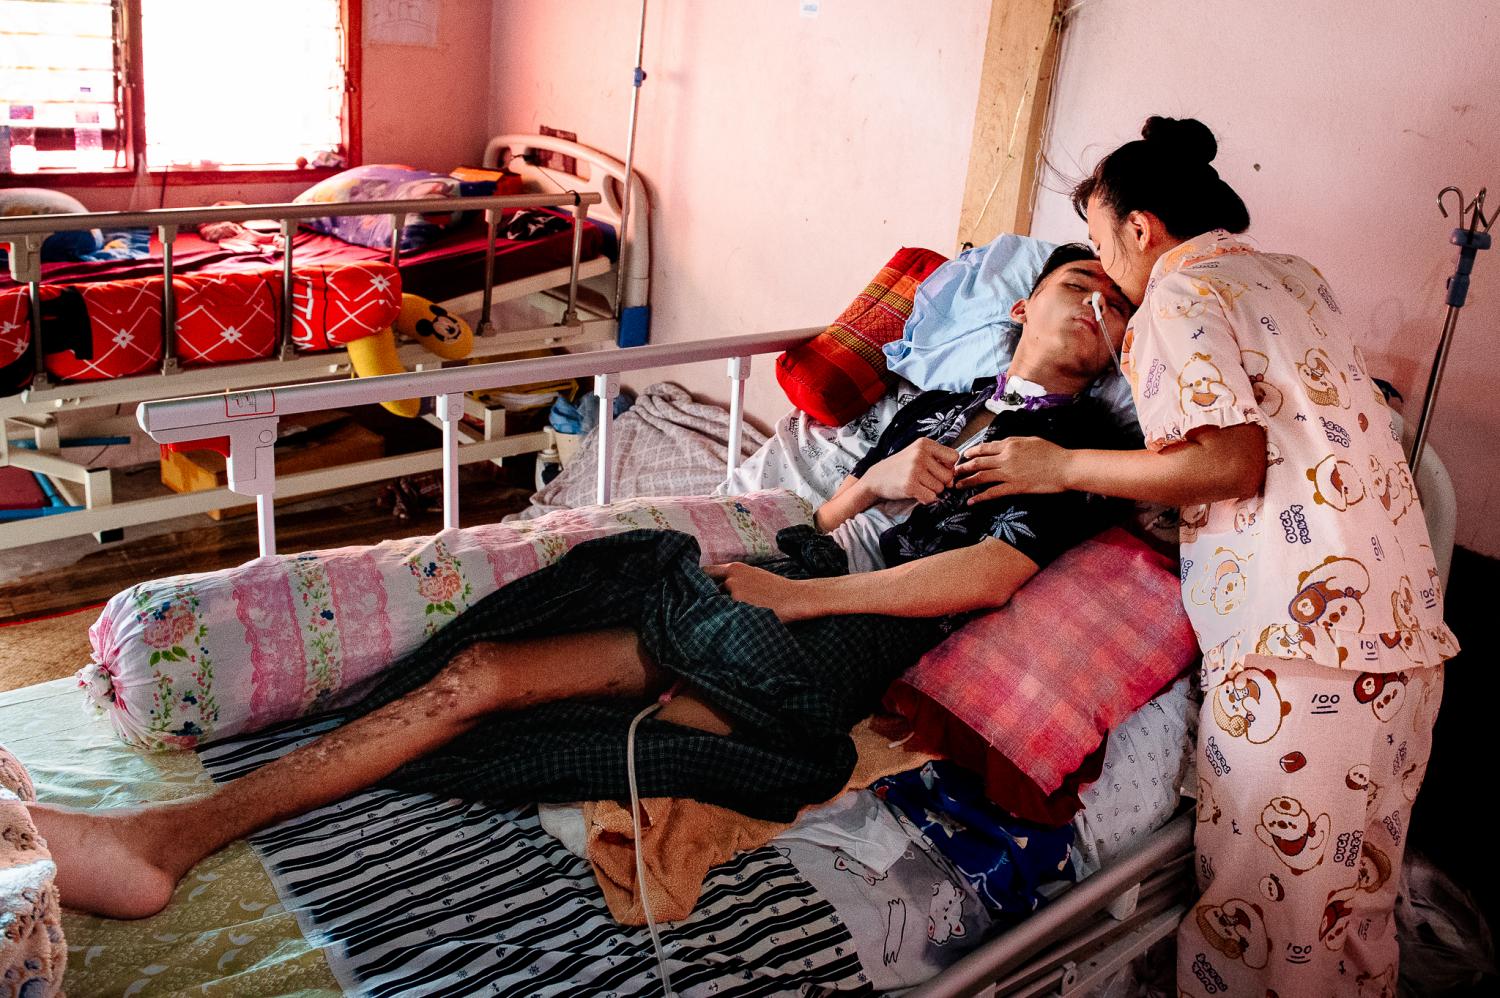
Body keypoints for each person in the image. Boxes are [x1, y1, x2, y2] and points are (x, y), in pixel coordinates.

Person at [16, 246, 1136, 924]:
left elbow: (990, 573)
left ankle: (167, 839)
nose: (1099, 308)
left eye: (1118, 308)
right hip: (795, 566)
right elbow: (834, 512)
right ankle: (174, 832)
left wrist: (802, 597)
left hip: (842, 628)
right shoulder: (937, 406)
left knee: (491, 686)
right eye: (1080, 285)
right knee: (485, 661)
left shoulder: (1086, 446)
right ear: (1021, 309)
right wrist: (870, 483)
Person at [953, 116, 1458, 997]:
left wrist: (1058, 464)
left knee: (1265, 931)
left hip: (1297, 654)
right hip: (1404, 636)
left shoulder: (1175, 298)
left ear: (1139, 227)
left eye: (1099, 246)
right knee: (1354, 917)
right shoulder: (1296, 278)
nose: (1103, 272)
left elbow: (1227, 463)